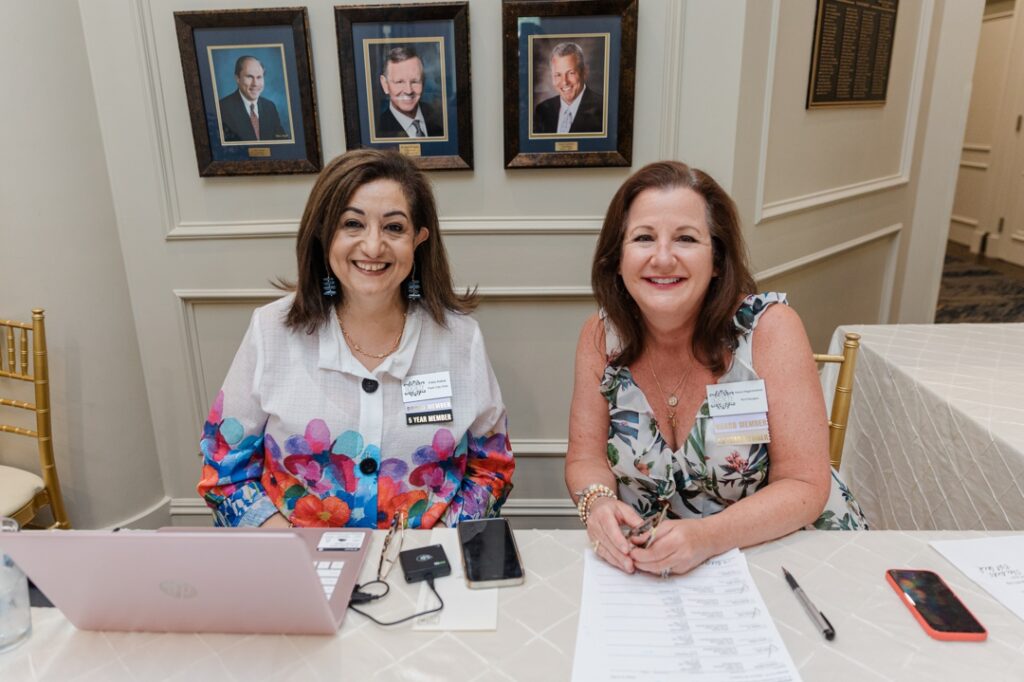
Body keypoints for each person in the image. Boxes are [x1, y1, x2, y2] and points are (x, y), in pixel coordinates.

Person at [565, 161, 867, 578]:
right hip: (659, 566)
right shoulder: (601, 337)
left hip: (791, 555)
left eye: (686, 238)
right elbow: (585, 458)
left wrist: (706, 537)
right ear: (618, 259)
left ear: (718, 260)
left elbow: (804, 484)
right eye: (643, 238)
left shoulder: (770, 329)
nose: (663, 257)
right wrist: (596, 503)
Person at [198, 150, 514, 529]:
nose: (373, 246)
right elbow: (224, 472)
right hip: (297, 565)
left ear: (418, 239)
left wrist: (433, 546)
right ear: (323, 232)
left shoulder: (461, 339)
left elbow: (491, 469)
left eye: (394, 228)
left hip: (423, 563)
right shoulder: (271, 330)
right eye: (353, 224)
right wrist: (291, 551)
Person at [532, 42, 604, 135]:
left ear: (584, 72)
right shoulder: (542, 110)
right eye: (558, 75)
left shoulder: (603, 109)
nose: (564, 82)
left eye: (571, 73)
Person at [375, 46, 443, 139]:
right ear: (385, 84)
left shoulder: (439, 118)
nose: (408, 90)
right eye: (399, 82)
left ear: (423, 81)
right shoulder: (378, 128)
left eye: (415, 81)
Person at [218, 55, 287, 142]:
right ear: (237, 78)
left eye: (259, 77)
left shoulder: (270, 107)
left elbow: (283, 143)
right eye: (249, 77)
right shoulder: (221, 109)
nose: (255, 83)